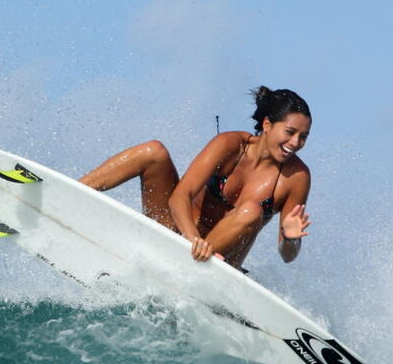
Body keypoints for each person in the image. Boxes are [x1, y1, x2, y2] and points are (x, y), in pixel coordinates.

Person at [79, 87, 312, 271]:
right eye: (290, 132)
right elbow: (180, 196)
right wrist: (192, 241)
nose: (295, 143)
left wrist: (291, 239)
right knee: (154, 152)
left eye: (303, 137)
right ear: (268, 125)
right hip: (178, 237)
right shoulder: (230, 145)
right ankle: (68, 190)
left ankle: (189, 265)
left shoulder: (296, 178)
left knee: (250, 210)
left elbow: (287, 256)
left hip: (217, 263)